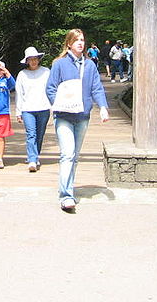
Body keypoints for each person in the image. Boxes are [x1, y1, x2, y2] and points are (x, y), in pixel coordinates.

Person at [46, 29, 109, 213]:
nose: (81, 43)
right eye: (77, 40)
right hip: (64, 116)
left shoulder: (89, 66)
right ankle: (66, 196)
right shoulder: (59, 64)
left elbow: (96, 88)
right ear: (69, 44)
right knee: (67, 153)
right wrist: (58, 103)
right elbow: (50, 88)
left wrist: (103, 107)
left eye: (82, 40)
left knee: (74, 156)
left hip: (82, 116)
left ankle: (68, 189)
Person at [15, 46, 51, 172]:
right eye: (31, 59)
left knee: (40, 135)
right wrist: (18, 111)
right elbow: (19, 94)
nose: (33, 61)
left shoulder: (46, 72)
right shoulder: (22, 74)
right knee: (31, 134)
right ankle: (32, 159)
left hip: (44, 107)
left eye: (35, 59)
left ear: (38, 59)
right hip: (27, 109)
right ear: (27, 61)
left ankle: (35, 156)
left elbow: (52, 89)